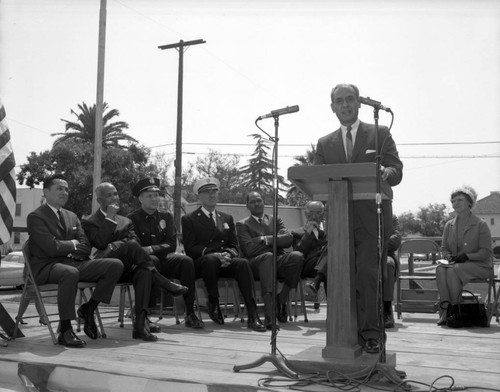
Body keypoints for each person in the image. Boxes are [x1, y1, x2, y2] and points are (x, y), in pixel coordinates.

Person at [314, 83, 403, 353]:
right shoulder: (324, 143)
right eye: (339, 101)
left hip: (372, 219)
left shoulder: (379, 132)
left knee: (367, 275)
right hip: (339, 222)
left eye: (350, 99)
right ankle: (345, 335)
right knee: (341, 276)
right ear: (332, 108)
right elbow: (317, 180)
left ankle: (372, 335)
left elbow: (397, 171)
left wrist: (387, 171)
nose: (345, 105)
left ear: (359, 103)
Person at [82, 182, 188, 342]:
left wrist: (113, 245)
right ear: (99, 200)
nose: (114, 198)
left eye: (116, 194)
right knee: (134, 252)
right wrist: (109, 218)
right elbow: (100, 242)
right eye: (109, 195)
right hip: (105, 268)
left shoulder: (125, 221)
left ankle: (139, 326)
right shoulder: (89, 221)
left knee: (144, 270)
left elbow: (134, 242)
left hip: (126, 268)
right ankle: (163, 282)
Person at [27, 174, 124, 347]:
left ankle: (88, 308)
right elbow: (50, 248)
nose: (64, 192)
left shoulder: (72, 216)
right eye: (59, 189)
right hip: (46, 267)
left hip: (74, 263)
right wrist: (72, 244)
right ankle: (65, 330)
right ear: (46, 192)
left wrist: (70, 248)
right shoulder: (36, 217)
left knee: (115, 265)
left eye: (66, 189)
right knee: (70, 273)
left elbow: (85, 245)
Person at [181, 177, 266, 332]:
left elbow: (234, 245)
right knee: (211, 259)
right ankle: (213, 303)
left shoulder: (226, 218)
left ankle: (253, 315)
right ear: (199, 197)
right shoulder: (189, 219)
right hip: (202, 263)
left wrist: (228, 254)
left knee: (243, 263)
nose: (211, 195)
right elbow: (190, 248)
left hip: (224, 261)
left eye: (214, 191)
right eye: (207, 192)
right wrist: (214, 254)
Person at [128, 177, 204, 329]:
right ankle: (144, 315)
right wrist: (153, 250)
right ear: (140, 198)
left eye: (156, 195)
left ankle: (190, 312)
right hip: (143, 264)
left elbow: (170, 245)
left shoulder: (166, 217)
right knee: (152, 260)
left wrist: (150, 248)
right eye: (149, 196)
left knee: (186, 261)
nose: (154, 199)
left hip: (164, 260)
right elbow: (136, 248)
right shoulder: (132, 219)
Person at [236, 191, 304, 329]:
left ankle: (282, 298)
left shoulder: (275, 219)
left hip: (277, 260)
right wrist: (275, 242)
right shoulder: (242, 224)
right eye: (253, 201)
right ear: (247, 205)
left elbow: (288, 240)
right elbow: (248, 249)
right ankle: (269, 316)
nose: (257, 203)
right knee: (268, 257)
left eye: (259, 200)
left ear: (263, 202)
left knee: (297, 256)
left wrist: (264, 239)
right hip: (254, 264)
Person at [436, 185, 493, 325]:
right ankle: (446, 310)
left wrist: (468, 256)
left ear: (469, 202)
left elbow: (486, 252)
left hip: (480, 265)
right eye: (453, 201)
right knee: (440, 269)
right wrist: (448, 256)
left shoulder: (481, 224)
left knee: (452, 270)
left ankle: (456, 311)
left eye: (459, 200)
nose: (455, 203)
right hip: (456, 265)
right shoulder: (449, 225)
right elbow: (444, 248)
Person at [291, 201, 328, 303]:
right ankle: (316, 283)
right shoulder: (297, 233)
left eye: (318, 213)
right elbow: (298, 251)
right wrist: (308, 232)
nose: (315, 216)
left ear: (323, 215)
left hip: (323, 267)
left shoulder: (326, 233)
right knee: (330, 262)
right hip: (306, 266)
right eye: (312, 212)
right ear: (306, 214)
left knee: (331, 267)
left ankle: (316, 284)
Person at [383, 215, 402, 329]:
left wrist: (375, 242)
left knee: (387, 264)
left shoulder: (390, 217)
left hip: (385, 255)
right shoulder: (360, 213)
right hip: (363, 254)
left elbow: (395, 241)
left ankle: (387, 310)